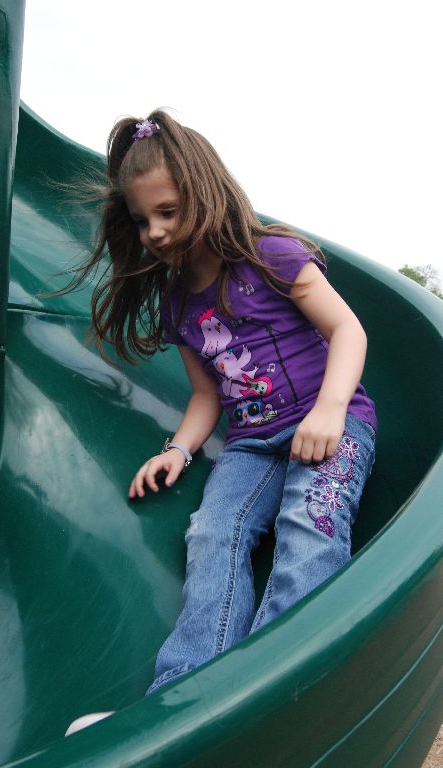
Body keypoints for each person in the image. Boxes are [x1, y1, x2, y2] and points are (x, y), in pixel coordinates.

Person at [64, 110, 376, 735]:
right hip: (252, 444)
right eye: (142, 219)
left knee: (308, 524)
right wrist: (178, 450)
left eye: (168, 211)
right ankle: (178, 706)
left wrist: (330, 409)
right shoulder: (178, 300)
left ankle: (276, 683)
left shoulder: (272, 256)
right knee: (212, 534)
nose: (154, 231)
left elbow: (348, 329)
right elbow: (207, 393)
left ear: (205, 192)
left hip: (330, 424)